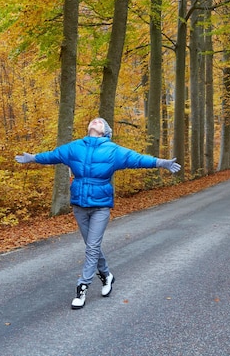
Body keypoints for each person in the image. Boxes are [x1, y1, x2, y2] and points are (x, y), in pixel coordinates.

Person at [15, 118, 180, 309]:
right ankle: (107, 275)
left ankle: (82, 287)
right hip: (79, 206)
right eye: (94, 121)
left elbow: (137, 159)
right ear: (89, 128)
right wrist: (33, 158)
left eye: (101, 122)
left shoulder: (113, 150)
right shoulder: (74, 147)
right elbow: (52, 156)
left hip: (100, 206)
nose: (96, 121)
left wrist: (162, 162)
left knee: (92, 246)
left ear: (105, 132)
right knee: (92, 245)